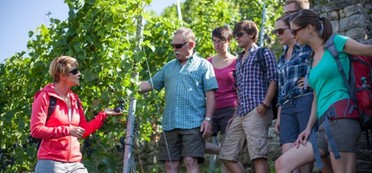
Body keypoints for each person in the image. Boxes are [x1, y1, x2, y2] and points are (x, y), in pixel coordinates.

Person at [275, 9, 372, 173]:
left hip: (342, 116)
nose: (292, 35)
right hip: (321, 124)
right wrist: (308, 128)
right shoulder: (313, 57)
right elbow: (316, 96)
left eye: (294, 30)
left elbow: (368, 50)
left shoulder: (337, 42)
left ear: (309, 28)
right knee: (282, 164)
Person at [139, 27, 218, 173]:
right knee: (170, 165)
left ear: (191, 45)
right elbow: (149, 84)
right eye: (172, 46)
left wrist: (208, 119)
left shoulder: (203, 65)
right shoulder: (168, 67)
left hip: (193, 123)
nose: (174, 49)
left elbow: (211, 94)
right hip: (170, 124)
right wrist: (128, 87)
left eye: (178, 46)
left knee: (190, 161)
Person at [30, 56, 122, 173]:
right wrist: (67, 130)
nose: (79, 74)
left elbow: (83, 130)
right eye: (74, 71)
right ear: (62, 75)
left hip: (75, 164)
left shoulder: (75, 100)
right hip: (51, 163)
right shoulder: (45, 97)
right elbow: (36, 130)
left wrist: (103, 115)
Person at [219, 20, 278, 173]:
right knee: (226, 154)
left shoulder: (263, 52)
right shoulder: (238, 61)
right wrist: (235, 113)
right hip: (240, 112)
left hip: (257, 109)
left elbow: (274, 79)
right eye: (236, 35)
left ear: (252, 34)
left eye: (240, 34)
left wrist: (264, 104)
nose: (237, 38)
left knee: (258, 156)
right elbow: (239, 90)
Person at [273, 15, 314, 173]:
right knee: (287, 152)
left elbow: (320, 63)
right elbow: (281, 86)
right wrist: (279, 112)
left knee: (303, 151)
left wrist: (310, 79)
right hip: (287, 107)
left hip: (305, 100)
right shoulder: (281, 58)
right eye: (275, 32)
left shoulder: (307, 47)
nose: (278, 35)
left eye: (281, 31)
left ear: (292, 29)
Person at [205, 25, 237, 173]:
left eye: (220, 41)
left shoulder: (237, 62)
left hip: (230, 109)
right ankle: (220, 150)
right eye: (214, 41)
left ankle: (223, 152)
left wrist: (238, 112)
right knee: (195, 141)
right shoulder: (207, 62)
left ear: (229, 41)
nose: (217, 45)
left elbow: (241, 88)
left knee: (229, 154)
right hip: (210, 110)